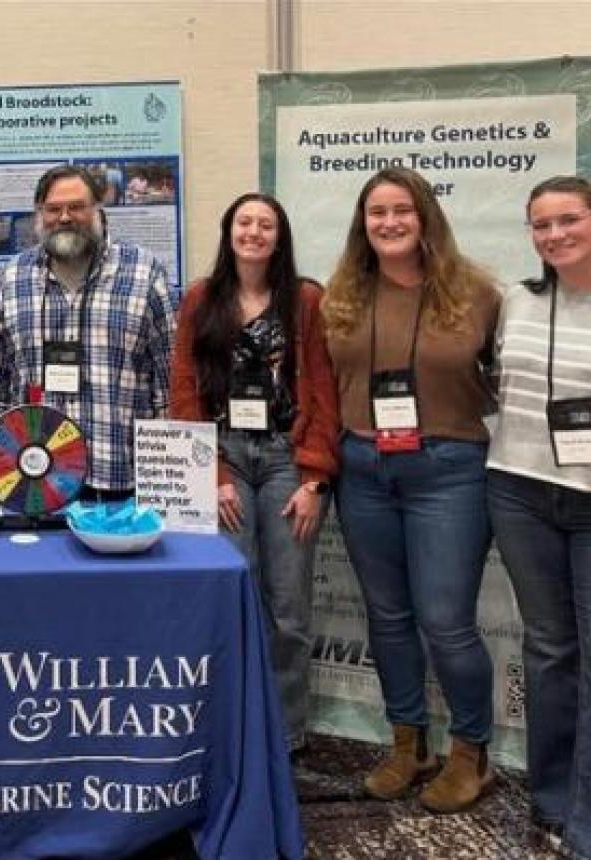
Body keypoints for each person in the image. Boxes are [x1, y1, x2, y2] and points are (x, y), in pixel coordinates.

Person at [322, 166, 499, 813]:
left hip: (448, 469)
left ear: (425, 217)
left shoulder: (475, 291)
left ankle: (470, 754)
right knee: (388, 618)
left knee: (446, 623)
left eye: (402, 210)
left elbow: (510, 376)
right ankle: (408, 744)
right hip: (363, 466)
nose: (390, 223)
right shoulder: (339, 294)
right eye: (377, 213)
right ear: (362, 224)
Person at [170, 192, 339, 755]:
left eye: (265, 224)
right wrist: (211, 470)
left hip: (288, 458)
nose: (254, 232)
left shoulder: (306, 299)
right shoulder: (200, 298)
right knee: (234, 589)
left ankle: (288, 733)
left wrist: (316, 479)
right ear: (229, 231)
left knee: (288, 605)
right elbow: (185, 392)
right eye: (244, 221)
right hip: (224, 459)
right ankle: (235, 722)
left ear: (279, 236)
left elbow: (322, 387)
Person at [487, 175, 591, 852]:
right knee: (549, 650)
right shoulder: (516, 302)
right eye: (541, 224)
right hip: (518, 488)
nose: (554, 234)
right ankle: (551, 797)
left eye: (568, 220)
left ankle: (585, 818)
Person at [0, 164, 177, 500]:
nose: (65, 217)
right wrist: (1, 469)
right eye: (53, 209)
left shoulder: (145, 273)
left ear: (98, 208)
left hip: (120, 482)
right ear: (40, 214)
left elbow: (170, 381)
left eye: (77, 207)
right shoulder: (14, 278)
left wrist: (164, 477)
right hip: (34, 485)